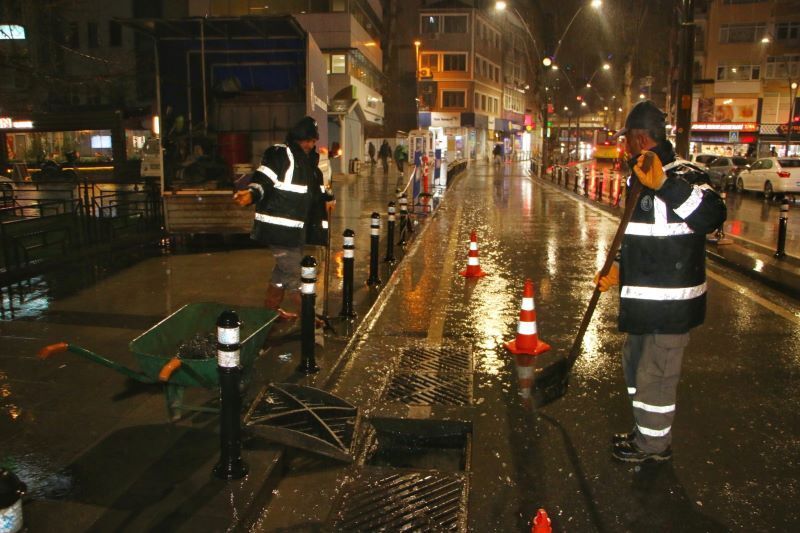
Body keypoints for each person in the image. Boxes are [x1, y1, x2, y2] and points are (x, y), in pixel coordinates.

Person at [595, 100, 726, 464]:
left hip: (671, 307)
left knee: (657, 377)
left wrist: (666, 185)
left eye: (627, 139)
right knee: (635, 367)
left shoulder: (685, 175)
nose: (624, 146)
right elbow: (637, 235)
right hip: (641, 302)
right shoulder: (636, 176)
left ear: (640, 138)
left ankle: (653, 446)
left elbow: (712, 215)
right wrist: (618, 267)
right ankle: (644, 429)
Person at [233, 116, 334, 325]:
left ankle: (270, 312)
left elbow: (317, 192)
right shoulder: (279, 155)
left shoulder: (311, 165)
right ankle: (308, 317)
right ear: (296, 138)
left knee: (281, 272)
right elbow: (263, 180)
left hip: (295, 231)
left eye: (313, 141)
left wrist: (328, 199)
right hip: (277, 229)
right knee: (295, 275)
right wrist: (252, 194)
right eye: (306, 140)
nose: (309, 145)